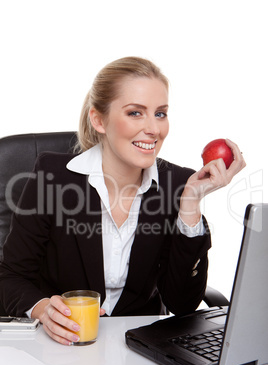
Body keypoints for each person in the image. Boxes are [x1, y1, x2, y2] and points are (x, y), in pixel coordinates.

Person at [0, 57, 245, 345]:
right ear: (99, 120)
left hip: (142, 348)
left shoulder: (178, 184)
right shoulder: (52, 176)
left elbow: (182, 304)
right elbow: (10, 277)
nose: (154, 129)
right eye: (135, 113)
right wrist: (43, 309)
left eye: (161, 113)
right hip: (65, 345)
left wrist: (189, 206)